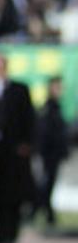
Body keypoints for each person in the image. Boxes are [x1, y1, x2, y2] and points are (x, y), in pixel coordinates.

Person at [0, 53, 37, 243]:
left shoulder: (19, 89)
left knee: (12, 195)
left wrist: (27, 144)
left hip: (13, 153)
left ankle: (11, 233)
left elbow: (29, 118)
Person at [35, 76, 71, 226]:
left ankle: (44, 211)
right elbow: (47, 133)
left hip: (54, 153)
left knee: (49, 182)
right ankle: (41, 210)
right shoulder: (49, 107)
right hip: (50, 153)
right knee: (47, 182)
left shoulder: (56, 106)